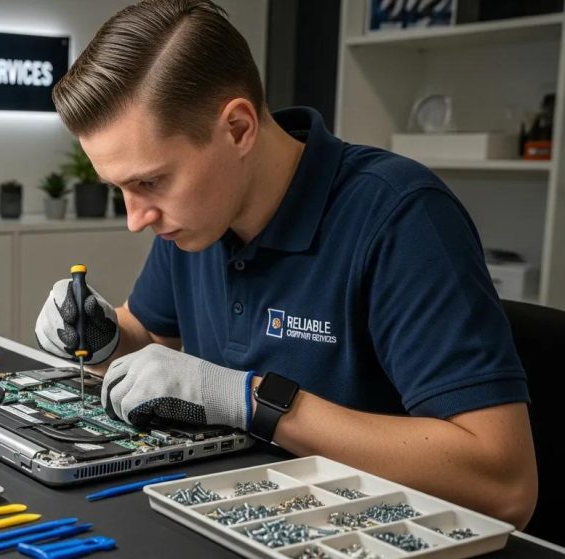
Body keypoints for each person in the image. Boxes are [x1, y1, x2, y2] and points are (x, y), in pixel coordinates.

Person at [34, 0, 536, 528]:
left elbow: (506, 486)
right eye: (120, 189)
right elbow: (154, 334)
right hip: (228, 512)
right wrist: (103, 332)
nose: (135, 219)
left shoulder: (401, 218)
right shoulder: (196, 216)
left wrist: (256, 401)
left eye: (150, 182)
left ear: (238, 128)